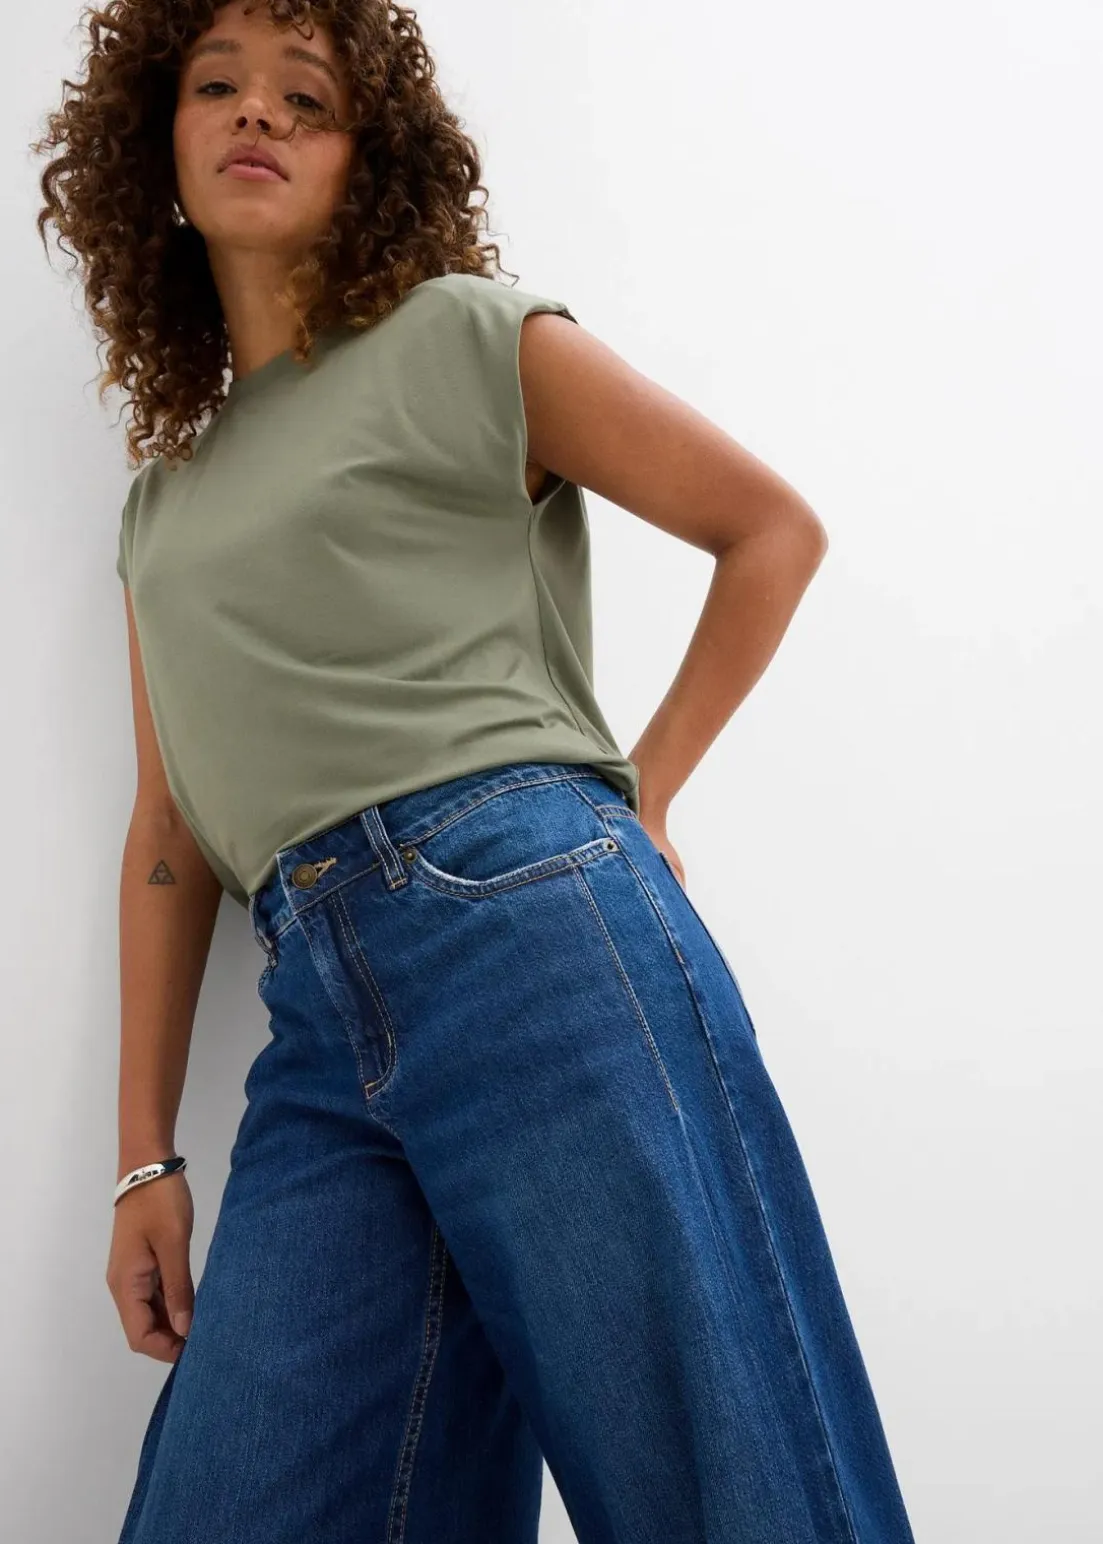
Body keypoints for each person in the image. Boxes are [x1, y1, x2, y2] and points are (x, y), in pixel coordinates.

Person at [34, 3, 917, 1541]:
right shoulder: (162, 507)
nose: (257, 114)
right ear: (152, 147)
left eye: (306, 98)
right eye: (217, 85)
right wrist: (140, 1163)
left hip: (529, 920)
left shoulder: (460, 335)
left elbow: (766, 532)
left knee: (726, 1483)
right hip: (317, 1011)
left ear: (369, 155)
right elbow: (170, 830)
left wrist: (644, 792)